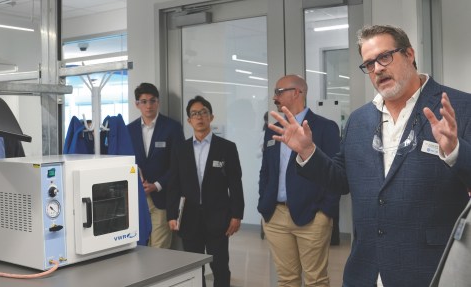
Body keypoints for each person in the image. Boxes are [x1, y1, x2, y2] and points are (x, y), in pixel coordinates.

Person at [268, 25, 471, 287]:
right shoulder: (359, 120)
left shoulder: (459, 108)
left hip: (428, 267)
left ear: (409, 54)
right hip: (366, 269)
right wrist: (308, 152)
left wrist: (455, 150)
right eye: (368, 64)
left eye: (385, 57)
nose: (377, 69)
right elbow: (341, 179)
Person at [258, 75, 340, 287]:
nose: (274, 96)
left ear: (297, 92)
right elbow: (265, 170)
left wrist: (325, 212)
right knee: (286, 280)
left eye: (279, 91)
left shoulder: (325, 128)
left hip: (312, 216)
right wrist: (263, 203)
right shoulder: (272, 129)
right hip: (275, 216)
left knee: (316, 281)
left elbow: (335, 172)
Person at [167, 95, 244, 287]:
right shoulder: (180, 149)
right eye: (194, 114)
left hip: (218, 218)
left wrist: (237, 215)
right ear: (189, 120)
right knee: (193, 268)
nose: (199, 117)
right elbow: (173, 184)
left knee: (220, 266)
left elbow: (235, 183)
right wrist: (171, 214)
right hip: (189, 218)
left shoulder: (226, 148)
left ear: (211, 116)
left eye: (203, 113)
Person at [127, 82, 184, 248]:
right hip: (137, 198)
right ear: (137, 104)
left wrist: (157, 185)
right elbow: (128, 162)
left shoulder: (172, 128)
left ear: (158, 102)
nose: (149, 105)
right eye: (143, 101)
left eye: (152, 100)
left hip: (162, 197)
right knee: (138, 247)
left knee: (159, 248)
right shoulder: (129, 130)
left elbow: (178, 164)